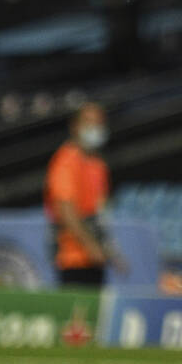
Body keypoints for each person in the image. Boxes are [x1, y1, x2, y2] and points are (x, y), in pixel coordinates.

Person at [44, 103, 115, 287]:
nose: (95, 128)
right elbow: (66, 212)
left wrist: (109, 250)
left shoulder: (98, 164)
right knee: (77, 314)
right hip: (72, 258)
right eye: (89, 122)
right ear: (75, 125)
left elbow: (101, 211)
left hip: (96, 259)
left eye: (99, 123)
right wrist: (92, 247)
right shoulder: (66, 161)